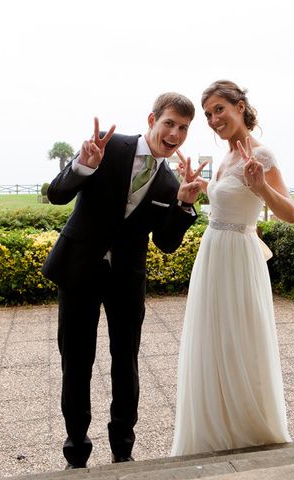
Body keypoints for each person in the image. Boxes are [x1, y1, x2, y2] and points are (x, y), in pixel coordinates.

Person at [42, 92, 205, 468]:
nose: (175, 134)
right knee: (76, 362)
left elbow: (165, 243)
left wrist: (183, 204)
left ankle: (123, 449)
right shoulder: (108, 146)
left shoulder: (169, 182)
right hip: (79, 269)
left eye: (183, 128)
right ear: (152, 120)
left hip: (127, 281)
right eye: (170, 124)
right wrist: (83, 165)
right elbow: (56, 194)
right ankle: (76, 451)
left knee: (125, 363)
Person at [171, 80, 294, 456]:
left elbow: (290, 214)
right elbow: (226, 200)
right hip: (212, 255)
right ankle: (214, 426)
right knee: (213, 340)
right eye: (208, 114)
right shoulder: (227, 157)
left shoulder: (262, 155)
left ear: (240, 107)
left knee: (238, 340)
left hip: (239, 259)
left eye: (219, 110)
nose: (213, 119)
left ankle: (246, 427)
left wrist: (262, 187)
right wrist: (198, 188)